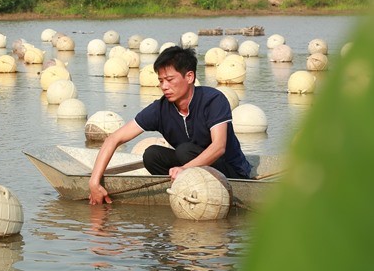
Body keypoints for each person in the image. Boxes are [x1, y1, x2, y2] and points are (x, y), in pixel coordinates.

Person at [88, 46, 252, 205]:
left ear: (189, 77)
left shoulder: (213, 100)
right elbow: (114, 139)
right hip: (189, 164)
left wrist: (183, 169)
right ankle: (181, 188)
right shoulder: (160, 109)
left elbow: (219, 147)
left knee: (184, 151)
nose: (164, 86)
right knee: (151, 155)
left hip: (230, 172)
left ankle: (185, 182)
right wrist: (94, 182)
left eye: (170, 80)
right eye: (161, 81)